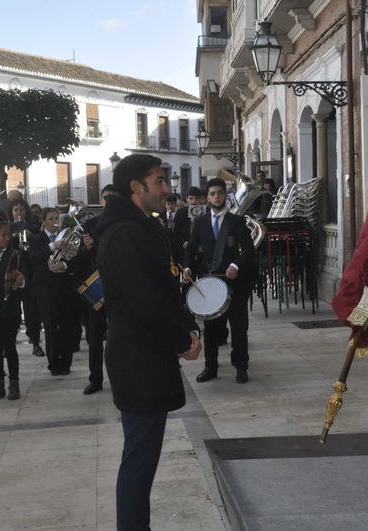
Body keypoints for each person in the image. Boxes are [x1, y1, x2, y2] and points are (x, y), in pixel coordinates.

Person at [94, 154, 201, 531]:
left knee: (142, 456)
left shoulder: (139, 227)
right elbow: (145, 301)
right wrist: (180, 339)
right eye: (159, 181)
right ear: (136, 187)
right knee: (139, 458)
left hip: (145, 355)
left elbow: (164, 287)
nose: (167, 188)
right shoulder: (126, 233)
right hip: (137, 359)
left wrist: (186, 326)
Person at [183, 177, 254, 384]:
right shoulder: (200, 222)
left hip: (234, 283)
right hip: (210, 282)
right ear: (207, 197)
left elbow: (248, 249)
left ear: (225, 195)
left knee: (239, 328)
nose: (216, 197)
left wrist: (236, 265)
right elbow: (191, 249)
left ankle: (241, 367)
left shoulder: (237, 221)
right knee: (211, 329)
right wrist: (187, 267)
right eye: (212, 194)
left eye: (220, 193)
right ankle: (210, 367)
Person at [74, 184, 117, 395]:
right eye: (106, 197)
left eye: (113, 197)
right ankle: (95, 379)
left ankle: (120, 378)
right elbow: (79, 258)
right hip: (96, 287)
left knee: (120, 336)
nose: (109, 201)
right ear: (101, 200)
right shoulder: (90, 224)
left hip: (118, 287)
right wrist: (87, 248)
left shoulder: (124, 223)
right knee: (94, 337)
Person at [28, 207, 82, 376]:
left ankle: (66, 364)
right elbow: (34, 258)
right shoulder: (36, 239)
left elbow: (76, 257)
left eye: (56, 218)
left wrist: (65, 265)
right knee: (50, 326)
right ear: (43, 221)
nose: (54, 222)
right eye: (50, 219)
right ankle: (53, 364)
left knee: (67, 325)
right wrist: (53, 245)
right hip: (45, 287)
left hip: (64, 286)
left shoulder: (66, 236)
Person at [0, 219, 25, 401]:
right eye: (3, 235)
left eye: (9, 235)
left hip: (11, 307)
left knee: (10, 346)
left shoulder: (15, 254)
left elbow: (24, 275)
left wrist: (21, 281)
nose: (7, 238)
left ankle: (14, 383)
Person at [6, 198, 43, 357]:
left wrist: (31, 236)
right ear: (11, 212)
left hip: (30, 271)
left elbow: (40, 246)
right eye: (16, 210)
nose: (19, 213)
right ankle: (8, 344)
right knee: (12, 311)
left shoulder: (33, 227)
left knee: (32, 311)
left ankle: (35, 343)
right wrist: (12, 236)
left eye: (21, 210)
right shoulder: (6, 228)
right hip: (12, 271)